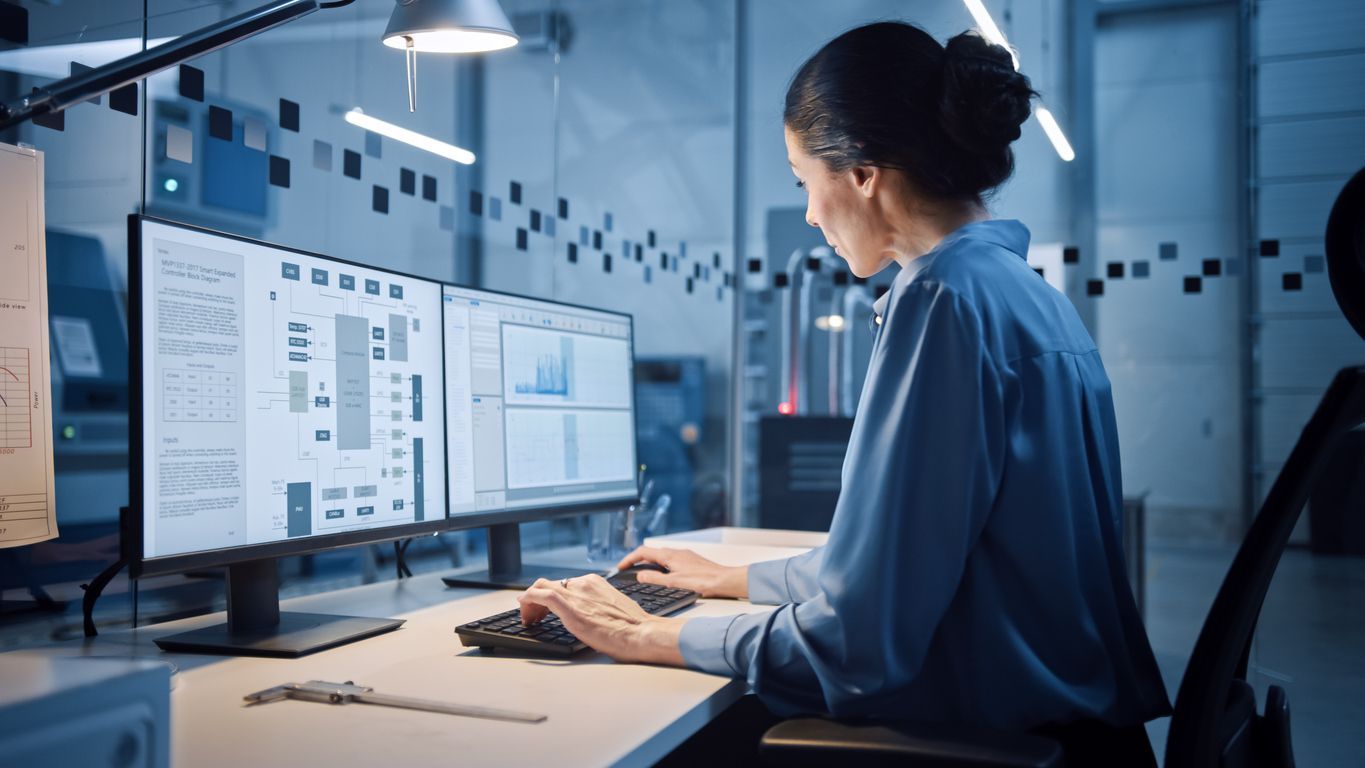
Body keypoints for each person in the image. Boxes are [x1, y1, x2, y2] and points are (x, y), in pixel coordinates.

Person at [517, 20, 1171, 762]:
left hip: (1000, 741)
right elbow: (894, 569)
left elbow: (861, 646)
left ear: (861, 173)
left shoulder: (945, 302)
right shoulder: (1020, 293)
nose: (807, 214)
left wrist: (650, 632)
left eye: (804, 181)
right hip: (1082, 738)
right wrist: (733, 579)